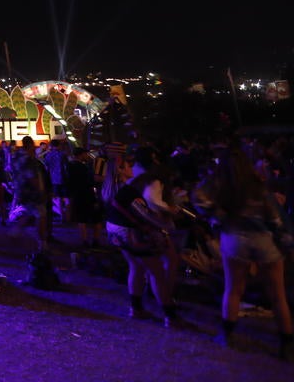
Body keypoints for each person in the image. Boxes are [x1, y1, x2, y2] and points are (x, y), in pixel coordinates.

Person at [194, 139, 293, 358]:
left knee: (233, 289)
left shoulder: (222, 185)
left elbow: (198, 197)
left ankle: (226, 336)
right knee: (277, 295)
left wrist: (217, 217)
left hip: (234, 239)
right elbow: (275, 220)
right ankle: (286, 346)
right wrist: (285, 242)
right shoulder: (258, 186)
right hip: (264, 240)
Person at [103, 147, 179, 327]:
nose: (131, 168)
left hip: (114, 228)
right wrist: (167, 222)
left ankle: (136, 309)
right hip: (130, 231)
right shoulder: (140, 185)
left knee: (136, 267)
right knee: (157, 272)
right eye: (128, 165)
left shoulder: (125, 183)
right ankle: (170, 317)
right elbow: (147, 209)